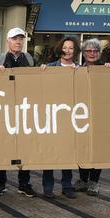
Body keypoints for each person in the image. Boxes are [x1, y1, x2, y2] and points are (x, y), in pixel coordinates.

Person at [0, 28, 37, 197]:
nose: (18, 41)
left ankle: (24, 183)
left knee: (25, 148)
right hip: (5, 110)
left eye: (20, 38)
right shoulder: (1, 58)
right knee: (2, 146)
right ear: (8, 41)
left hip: (24, 109)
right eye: (14, 38)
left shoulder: (30, 59)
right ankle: (0, 182)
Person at [40, 36, 80, 199]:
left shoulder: (80, 69)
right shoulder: (49, 67)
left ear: (75, 50)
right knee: (50, 153)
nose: (68, 50)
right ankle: (48, 186)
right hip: (52, 115)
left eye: (71, 48)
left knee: (68, 153)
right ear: (60, 48)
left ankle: (67, 185)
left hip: (71, 117)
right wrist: (41, 71)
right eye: (65, 47)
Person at [74, 38, 110, 196]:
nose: (92, 54)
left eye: (95, 51)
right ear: (83, 53)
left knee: (98, 149)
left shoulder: (106, 69)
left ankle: (94, 181)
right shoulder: (77, 69)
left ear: (99, 53)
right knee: (83, 146)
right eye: (88, 51)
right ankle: (83, 179)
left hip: (101, 115)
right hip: (82, 115)